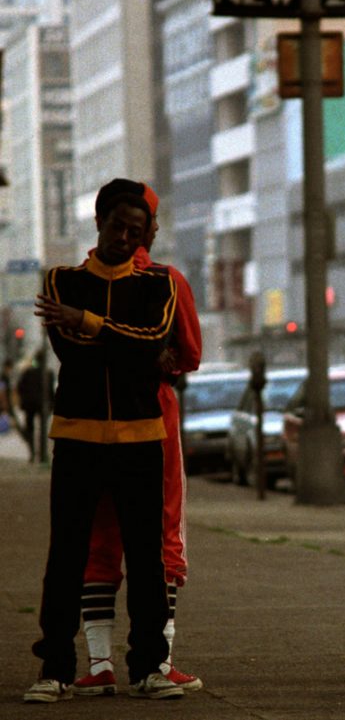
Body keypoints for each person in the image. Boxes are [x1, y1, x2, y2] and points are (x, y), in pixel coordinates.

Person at [24, 178, 184, 703]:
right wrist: (116, 339)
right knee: (67, 554)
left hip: (141, 438)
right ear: (98, 222)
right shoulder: (60, 280)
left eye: (135, 231)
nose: (124, 237)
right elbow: (73, 350)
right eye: (117, 225)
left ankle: (148, 665)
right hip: (77, 437)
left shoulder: (159, 285)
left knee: (146, 557)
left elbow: (154, 342)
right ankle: (56, 668)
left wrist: (89, 321)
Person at [72, 191, 204, 696]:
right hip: (151, 418)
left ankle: (99, 661)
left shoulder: (73, 282)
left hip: (88, 419)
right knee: (161, 536)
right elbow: (189, 354)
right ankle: (158, 659)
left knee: (96, 536)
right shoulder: (166, 282)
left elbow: (71, 349)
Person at [17, 352, 52, 462]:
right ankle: (42, 453)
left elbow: (20, 387)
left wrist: (24, 399)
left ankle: (32, 453)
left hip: (29, 405)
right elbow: (51, 391)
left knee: (30, 429)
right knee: (42, 429)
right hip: (42, 404)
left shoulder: (28, 372)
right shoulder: (48, 373)